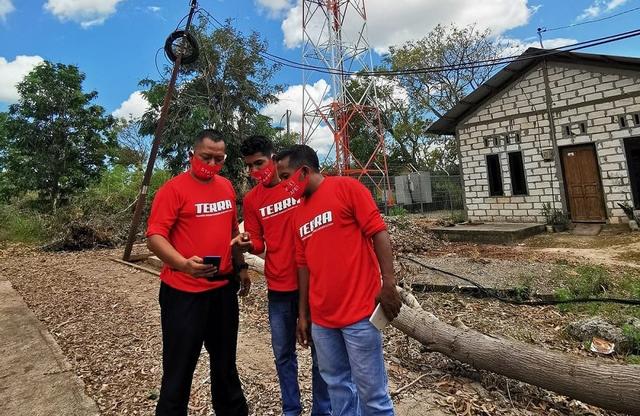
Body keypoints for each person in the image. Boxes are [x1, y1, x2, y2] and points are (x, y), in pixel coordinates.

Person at [277, 144, 402, 416]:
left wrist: (388, 283)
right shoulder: (298, 214)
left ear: (305, 170)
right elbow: (303, 265)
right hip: (323, 322)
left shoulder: (348, 189)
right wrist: (303, 314)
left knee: (373, 396)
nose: (283, 184)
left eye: (285, 177)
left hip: (359, 315)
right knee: (338, 391)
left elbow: (378, 233)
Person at [146, 129, 251, 416]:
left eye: (219, 159)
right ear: (192, 154)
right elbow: (155, 236)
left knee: (225, 366)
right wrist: (182, 264)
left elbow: (232, 231)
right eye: (206, 157)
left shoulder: (226, 187)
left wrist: (240, 267)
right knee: (179, 369)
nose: (212, 164)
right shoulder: (173, 190)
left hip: (221, 292)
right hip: (183, 293)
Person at [230, 135, 331, 416]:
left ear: (274, 158)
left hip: (313, 283)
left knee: (319, 352)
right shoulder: (252, 200)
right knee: (283, 355)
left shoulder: (296, 186)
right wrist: (247, 244)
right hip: (279, 286)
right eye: (249, 166)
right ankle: (291, 410)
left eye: (259, 163)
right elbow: (260, 245)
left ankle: (322, 410)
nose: (255, 171)